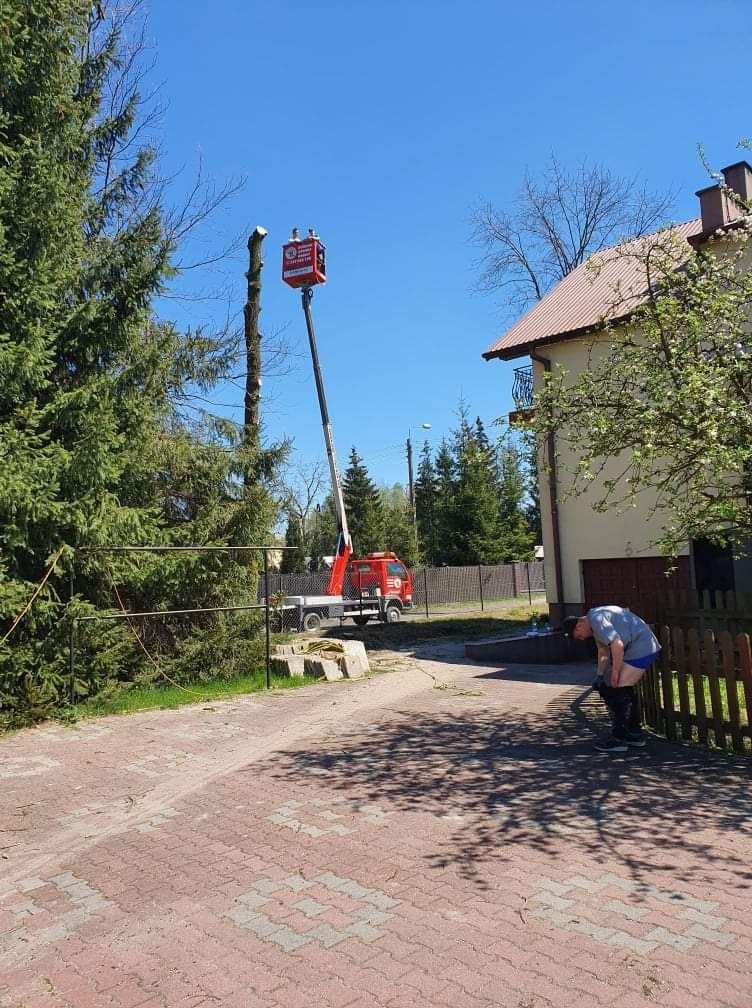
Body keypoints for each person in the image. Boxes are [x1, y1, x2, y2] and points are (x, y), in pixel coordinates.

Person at [562, 606, 661, 753]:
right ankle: (634, 734)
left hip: (642, 647)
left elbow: (617, 644)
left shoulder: (596, 620)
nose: (582, 639)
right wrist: (600, 675)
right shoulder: (595, 623)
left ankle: (619, 739)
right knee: (622, 689)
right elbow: (604, 651)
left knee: (620, 689)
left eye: (579, 636)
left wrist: (615, 672)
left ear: (579, 625)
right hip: (640, 645)